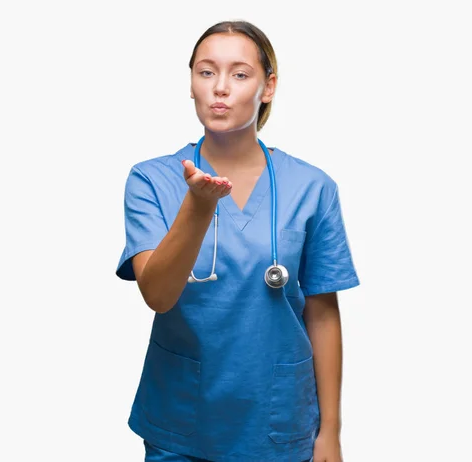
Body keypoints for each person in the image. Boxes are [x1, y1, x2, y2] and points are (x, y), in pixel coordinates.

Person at [115, 20, 360, 462]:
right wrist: (199, 206)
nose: (220, 88)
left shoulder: (312, 187)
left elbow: (323, 314)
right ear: (191, 84)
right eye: (206, 72)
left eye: (239, 74)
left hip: (278, 423)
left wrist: (331, 433)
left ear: (268, 87)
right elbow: (157, 294)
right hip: (182, 423)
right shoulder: (151, 180)